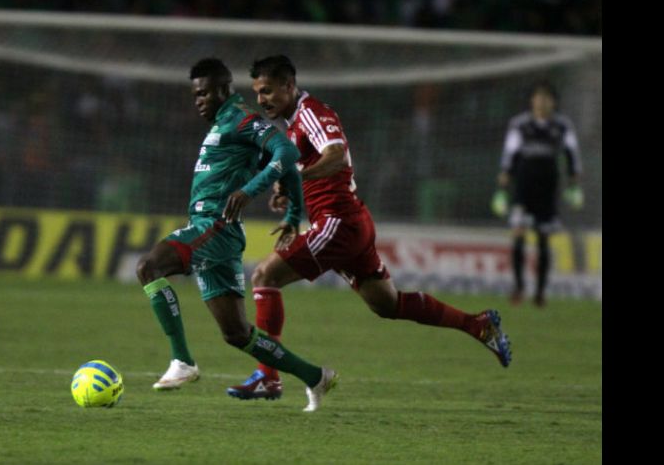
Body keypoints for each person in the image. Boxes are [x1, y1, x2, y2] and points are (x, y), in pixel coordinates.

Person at [226, 55, 512, 401]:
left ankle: (268, 376)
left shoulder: (311, 113)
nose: (262, 100)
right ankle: (478, 325)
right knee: (388, 304)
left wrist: (294, 176)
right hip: (350, 225)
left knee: (263, 277)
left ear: (289, 85)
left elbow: (336, 154)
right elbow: (319, 168)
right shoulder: (296, 121)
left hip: (339, 223)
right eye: (258, 93)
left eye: (268, 91)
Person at [136, 58, 337, 412]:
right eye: (194, 95)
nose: (198, 100)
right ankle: (315, 377)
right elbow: (282, 163)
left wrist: (250, 191)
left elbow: (287, 151)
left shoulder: (241, 119)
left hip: (213, 226)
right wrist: (291, 213)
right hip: (219, 233)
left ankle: (182, 361)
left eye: (203, 94)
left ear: (223, 89)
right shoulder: (223, 124)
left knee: (149, 268)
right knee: (237, 334)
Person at [491, 81, 583, 307]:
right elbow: (510, 153)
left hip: (548, 188)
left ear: (553, 101)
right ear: (532, 100)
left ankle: (540, 292)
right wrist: (503, 185)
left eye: (546, 97)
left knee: (543, 238)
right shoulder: (520, 124)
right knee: (519, 234)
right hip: (524, 188)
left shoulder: (562, 125)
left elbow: (572, 154)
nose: (542, 101)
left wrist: (574, 183)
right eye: (538, 97)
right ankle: (519, 287)